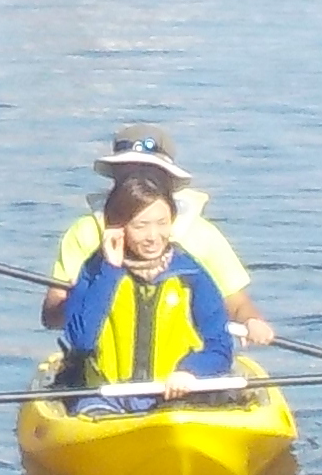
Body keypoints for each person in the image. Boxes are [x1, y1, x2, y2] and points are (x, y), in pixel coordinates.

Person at [41, 127, 274, 347]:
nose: (139, 180)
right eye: (129, 171)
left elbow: (237, 304)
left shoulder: (202, 236)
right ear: (115, 177)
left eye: (149, 172)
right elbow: (52, 315)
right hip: (100, 373)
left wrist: (252, 321)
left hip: (184, 376)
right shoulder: (85, 232)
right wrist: (83, 297)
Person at [53, 173, 247, 406]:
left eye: (162, 223)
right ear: (118, 226)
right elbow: (81, 341)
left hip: (175, 397)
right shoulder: (95, 272)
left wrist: (190, 371)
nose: (153, 237)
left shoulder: (191, 275)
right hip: (104, 398)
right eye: (141, 226)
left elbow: (220, 346)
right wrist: (110, 270)